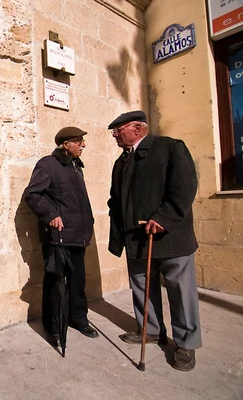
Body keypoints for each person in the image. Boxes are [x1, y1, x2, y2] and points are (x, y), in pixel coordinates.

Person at [107, 110, 201, 372]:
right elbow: (116, 197)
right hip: (136, 238)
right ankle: (150, 330)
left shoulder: (169, 148)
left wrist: (162, 218)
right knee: (142, 289)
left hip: (171, 237)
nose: (115, 134)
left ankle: (186, 343)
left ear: (138, 128)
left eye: (119, 129)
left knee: (180, 292)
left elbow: (184, 188)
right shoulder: (121, 162)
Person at [24, 126, 99, 348]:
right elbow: (33, 194)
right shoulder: (47, 164)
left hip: (78, 235)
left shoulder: (76, 166)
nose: (83, 145)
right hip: (58, 237)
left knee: (78, 282)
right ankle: (53, 327)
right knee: (55, 284)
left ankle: (78, 319)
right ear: (65, 144)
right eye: (78, 141)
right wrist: (51, 214)